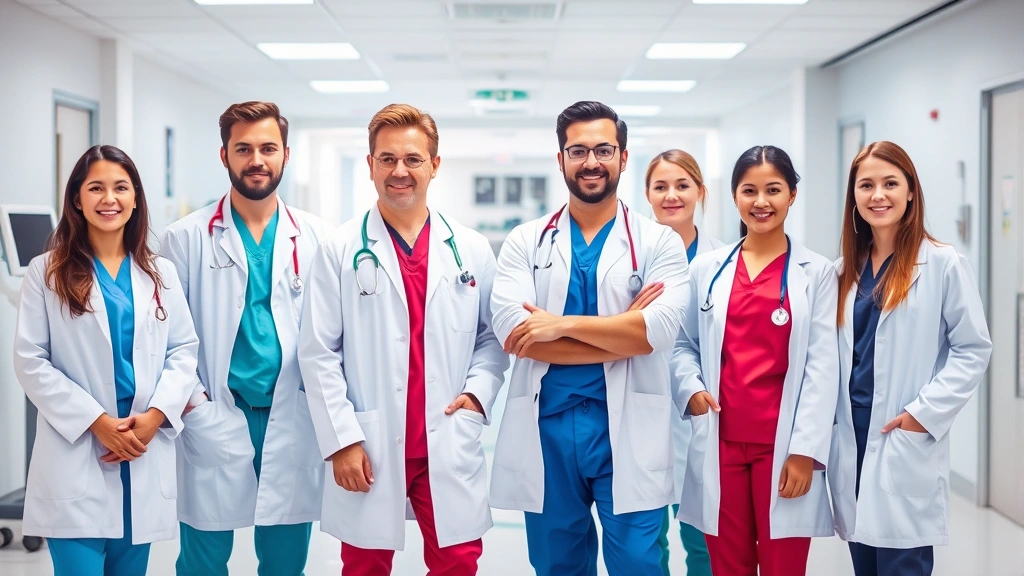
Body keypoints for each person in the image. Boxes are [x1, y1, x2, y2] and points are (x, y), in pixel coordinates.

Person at [297, 103, 507, 575]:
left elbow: (492, 337)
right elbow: (318, 352)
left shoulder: (470, 248)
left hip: (446, 436)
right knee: (365, 564)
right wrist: (342, 441)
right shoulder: (340, 249)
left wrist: (477, 395)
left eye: (413, 159)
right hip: (369, 439)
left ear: (434, 165)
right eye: (387, 159)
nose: (399, 171)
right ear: (370, 164)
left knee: (458, 562)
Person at [489, 101, 690, 576]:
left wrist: (559, 325)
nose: (591, 162)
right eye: (578, 151)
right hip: (548, 431)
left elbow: (656, 333)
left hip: (629, 430)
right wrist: (623, 329)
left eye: (603, 150)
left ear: (623, 157)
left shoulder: (659, 242)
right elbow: (515, 335)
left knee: (639, 565)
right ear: (560, 159)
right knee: (558, 565)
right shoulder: (526, 240)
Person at [160, 101, 332, 576]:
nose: (257, 160)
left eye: (268, 148)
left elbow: (332, 336)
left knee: (285, 562)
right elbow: (167, 339)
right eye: (244, 149)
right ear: (225, 156)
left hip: (290, 415)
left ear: (286, 155)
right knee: (203, 561)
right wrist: (193, 405)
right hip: (215, 411)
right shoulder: (184, 238)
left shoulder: (318, 237)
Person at [14, 145, 198, 575]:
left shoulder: (160, 273)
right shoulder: (46, 272)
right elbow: (31, 360)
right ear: (77, 199)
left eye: (121, 187)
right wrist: (96, 422)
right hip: (78, 453)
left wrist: (155, 416)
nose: (109, 199)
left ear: (135, 199)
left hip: (139, 452)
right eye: (96, 188)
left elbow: (183, 350)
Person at [828, 141, 992, 576]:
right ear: (854, 195)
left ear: (911, 191)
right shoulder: (843, 270)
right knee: (864, 563)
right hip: (852, 436)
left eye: (890, 183)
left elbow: (973, 347)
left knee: (903, 564)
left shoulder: (942, 264)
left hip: (901, 433)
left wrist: (924, 414)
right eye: (866, 185)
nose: (878, 195)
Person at [675, 145, 839, 576]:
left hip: (782, 446)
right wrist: (691, 387)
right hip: (720, 441)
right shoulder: (707, 269)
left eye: (773, 190)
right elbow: (683, 344)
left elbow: (823, 366)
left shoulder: (817, 272)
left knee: (783, 567)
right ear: (734, 196)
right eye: (749, 190)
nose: (761, 201)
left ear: (792, 195)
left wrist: (805, 451)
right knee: (729, 566)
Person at [643, 150, 719, 576]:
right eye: (661, 186)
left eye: (682, 185)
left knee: (705, 542)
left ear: (700, 192)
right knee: (645, 544)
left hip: (703, 413)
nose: (671, 195)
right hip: (642, 409)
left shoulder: (724, 261)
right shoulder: (630, 260)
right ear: (647, 195)